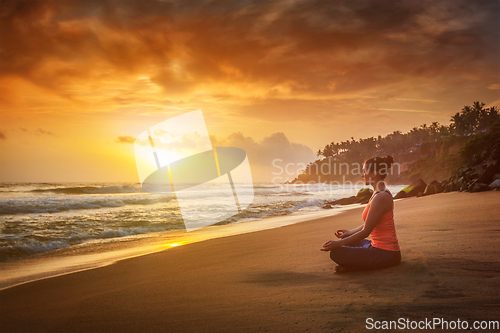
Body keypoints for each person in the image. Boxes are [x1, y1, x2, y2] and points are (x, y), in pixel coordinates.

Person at [320, 155, 401, 273]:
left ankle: (356, 267)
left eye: (364, 171)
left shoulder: (381, 197)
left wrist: (338, 244)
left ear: (374, 173)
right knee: (346, 237)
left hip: (387, 253)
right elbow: (369, 224)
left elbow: (366, 232)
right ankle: (356, 264)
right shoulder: (378, 193)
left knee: (336, 252)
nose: (362, 175)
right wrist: (350, 232)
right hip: (376, 246)